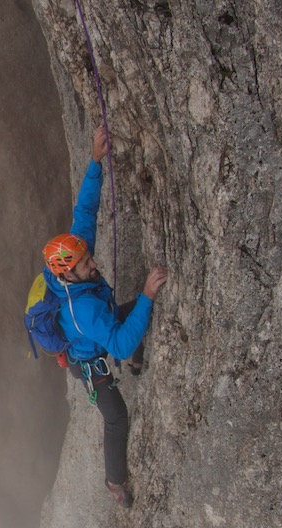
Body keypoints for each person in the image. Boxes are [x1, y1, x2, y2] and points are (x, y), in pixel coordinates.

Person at [41, 127, 167, 508]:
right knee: (117, 417)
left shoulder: (73, 261)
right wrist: (147, 295)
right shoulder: (83, 311)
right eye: (86, 265)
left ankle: (138, 365)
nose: (93, 263)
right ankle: (115, 481)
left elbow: (85, 212)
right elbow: (120, 343)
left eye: (88, 258)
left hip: (99, 332)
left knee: (133, 316)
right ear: (68, 274)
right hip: (90, 363)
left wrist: (95, 160)